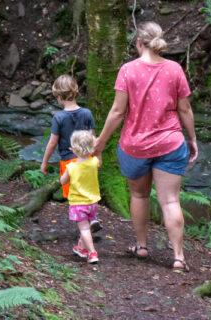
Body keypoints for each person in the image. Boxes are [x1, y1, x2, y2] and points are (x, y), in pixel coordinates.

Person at [93, 21, 198, 272]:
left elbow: (118, 112)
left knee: (138, 195)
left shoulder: (127, 71)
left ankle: (141, 246)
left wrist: (100, 143)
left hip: (135, 147)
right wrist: (192, 138)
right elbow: (185, 108)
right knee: (171, 201)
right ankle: (179, 257)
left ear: (139, 43)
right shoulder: (174, 69)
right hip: (171, 144)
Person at [40, 74, 102, 233]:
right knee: (88, 190)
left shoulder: (58, 117)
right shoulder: (87, 113)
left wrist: (44, 162)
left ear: (59, 97)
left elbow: (52, 143)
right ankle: (92, 218)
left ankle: (85, 226)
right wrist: (97, 157)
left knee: (74, 196)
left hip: (69, 162)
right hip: (87, 161)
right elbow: (93, 139)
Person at [60, 130, 101, 263]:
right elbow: (98, 160)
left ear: (73, 149)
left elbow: (63, 181)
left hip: (78, 204)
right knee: (87, 227)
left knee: (84, 229)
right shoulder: (94, 162)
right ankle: (81, 248)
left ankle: (92, 253)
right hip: (93, 202)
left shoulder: (71, 167)